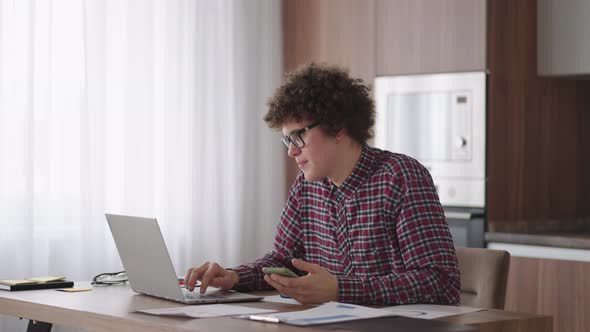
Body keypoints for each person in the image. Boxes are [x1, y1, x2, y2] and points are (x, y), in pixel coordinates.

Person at [184, 63, 460, 305]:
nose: (292, 151)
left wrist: (340, 289)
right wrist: (233, 276)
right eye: (287, 141)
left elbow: (439, 282)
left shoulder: (400, 177)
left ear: (337, 127)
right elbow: (284, 262)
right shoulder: (306, 188)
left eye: (298, 136)